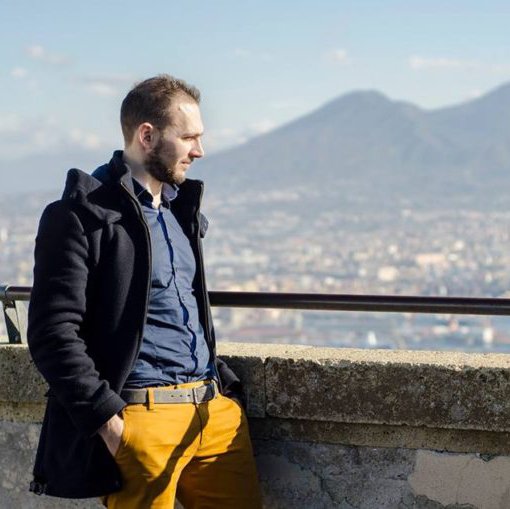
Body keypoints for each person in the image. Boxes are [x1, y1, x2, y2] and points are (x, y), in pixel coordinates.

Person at [27, 75, 262, 508]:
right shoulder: (81, 215)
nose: (199, 150)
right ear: (147, 136)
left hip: (214, 415)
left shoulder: (179, 212)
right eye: (188, 137)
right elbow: (51, 332)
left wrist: (226, 392)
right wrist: (110, 425)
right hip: (143, 418)